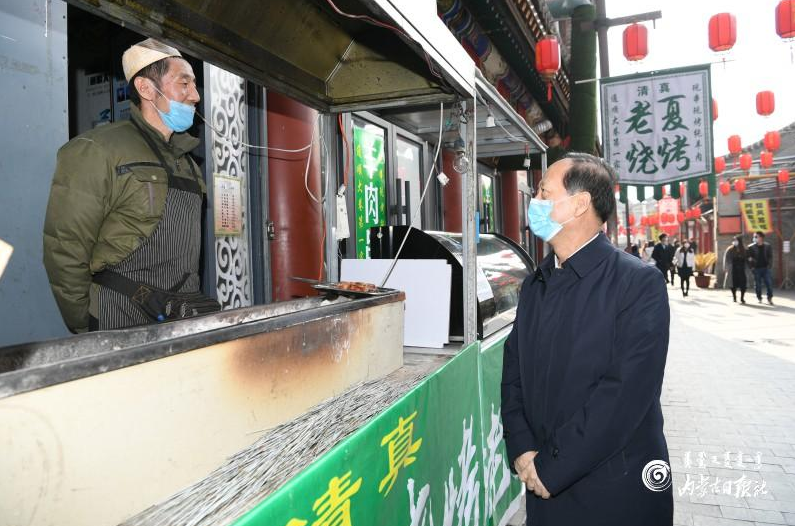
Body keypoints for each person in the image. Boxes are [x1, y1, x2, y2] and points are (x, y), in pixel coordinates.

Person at [502, 153, 672, 526]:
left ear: (580, 204)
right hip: (541, 482)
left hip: (612, 491)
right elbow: (513, 370)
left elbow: (624, 394)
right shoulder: (536, 284)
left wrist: (552, 467)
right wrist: (522, 448)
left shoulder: (637, 283)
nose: (534, 201)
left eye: (544, 192)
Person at [43, 38, 219, 333]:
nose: (195, 95)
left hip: (181, 314)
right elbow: (65, 246)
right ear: (146, 88)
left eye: (194, 84)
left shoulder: (187, 162)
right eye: (184, 83)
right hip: (119, 313)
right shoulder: (97, 149)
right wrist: (86, 321)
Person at [747, 231, 774, 305]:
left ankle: (769, 298)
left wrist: (769, 266)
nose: (754, 238)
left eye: (756, 237)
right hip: (756, 269)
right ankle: (759, 297)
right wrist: (751, 267)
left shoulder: (767, 246)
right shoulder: (750, 247)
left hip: (766, 268)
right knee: (758, 285)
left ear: (761, 238)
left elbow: (770, 257)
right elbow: (748, 259)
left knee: (769, 283)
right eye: (754, 237)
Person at [724, 236, 748, 304]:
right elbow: (726, 259)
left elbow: (747, 259)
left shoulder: (744, 250)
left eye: (736, 240)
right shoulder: (730, 249)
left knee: (743, 285)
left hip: (742, 269)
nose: (735, 242)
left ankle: (742, 298)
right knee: (733, 284)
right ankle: (734, 296)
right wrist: (726, 267)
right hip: (733, 269)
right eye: (734, 240)